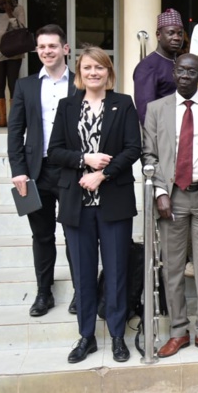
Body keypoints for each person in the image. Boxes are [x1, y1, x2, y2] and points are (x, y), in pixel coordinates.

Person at [47, 45, 141, 363]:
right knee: (84, 275)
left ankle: (117, 336)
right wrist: (83, 159)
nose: (93, 72)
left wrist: (103, 175)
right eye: (87, 67)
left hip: (113, 200)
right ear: (79, 72)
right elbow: (55, 150)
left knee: (116, 271)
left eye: (99, 67)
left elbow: (133, 149)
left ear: (108, 72)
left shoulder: (123, 104)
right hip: (76, 203)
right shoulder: (67, 106)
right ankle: (86, 336)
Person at [142, 53, 198, 359]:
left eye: (191, 72)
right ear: (173, 72)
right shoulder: (156, 109)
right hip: (172, 198)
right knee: (172, 268)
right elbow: (149, 156)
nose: (184, 75)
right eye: (180, 70)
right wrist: (159, 193)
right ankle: (178, 331)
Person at [8, 24, 78, 317]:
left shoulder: (80, 82)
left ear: (65, 49)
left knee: (75, 233)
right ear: (37, 51)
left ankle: (81, 291)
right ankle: (43, 293)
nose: (47, 51)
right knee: (42, 236)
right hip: (36, 173)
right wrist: (18, 170)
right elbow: (15, 130)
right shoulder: (25, 86)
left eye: (52, 46)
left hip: (71, 171)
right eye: (42, 47)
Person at [133, 8, 184, 124]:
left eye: (180, 34)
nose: (177, 38)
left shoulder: (179, 62)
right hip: (162, 133)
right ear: (158, 35)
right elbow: (146, 112)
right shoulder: (148, 66)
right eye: (171, 33)